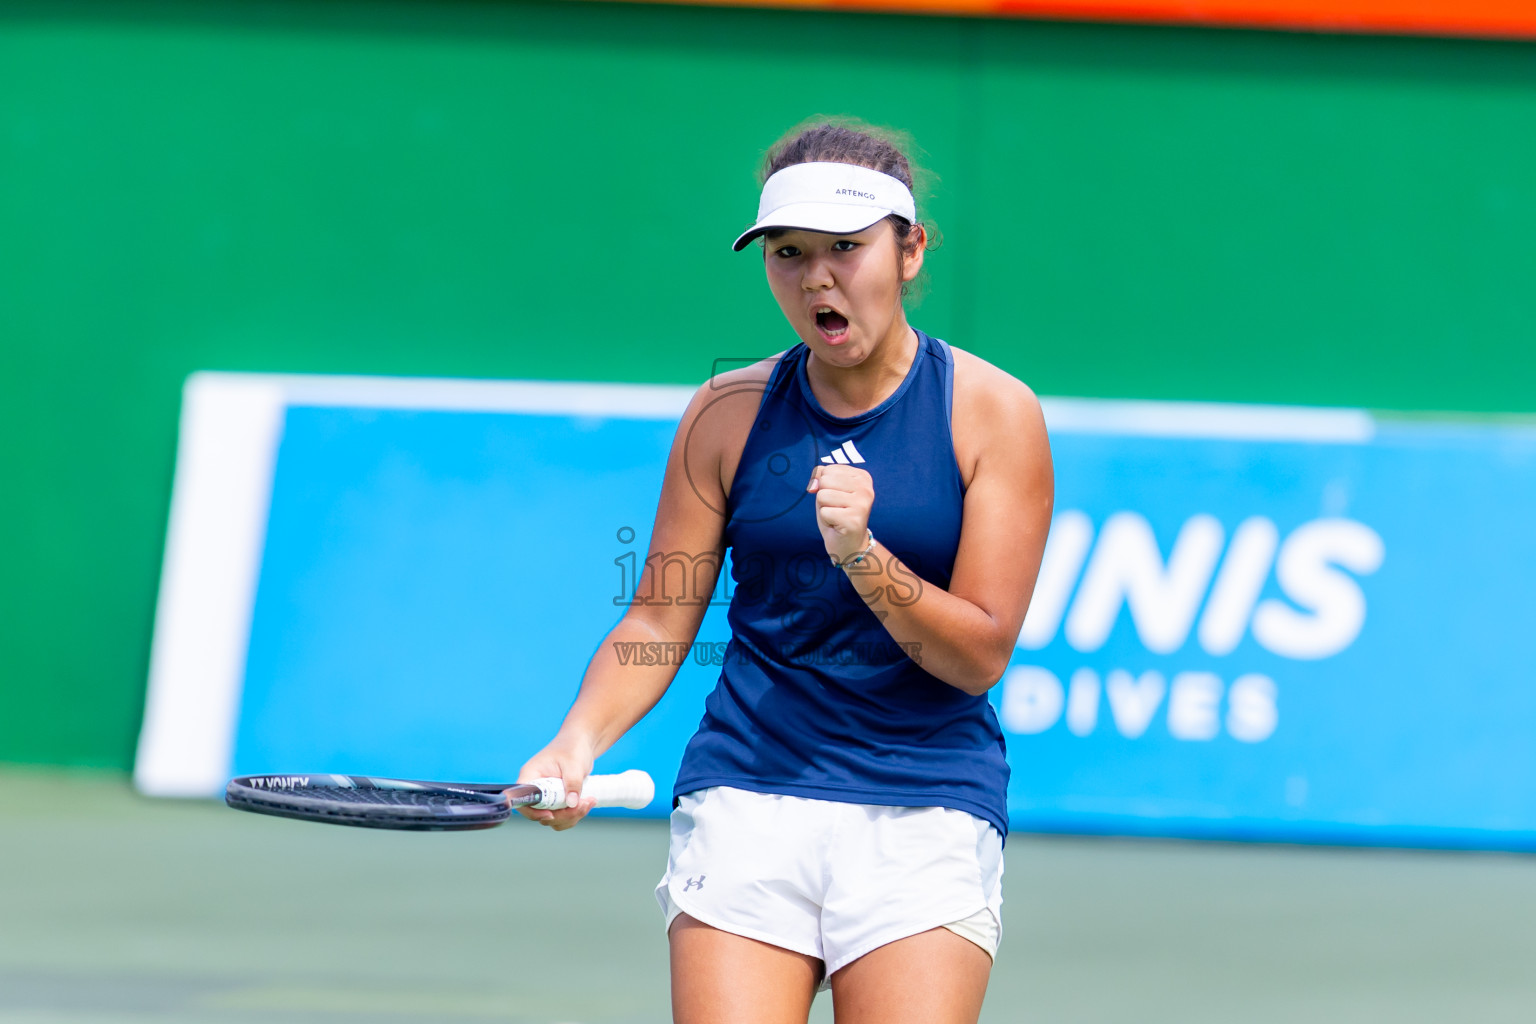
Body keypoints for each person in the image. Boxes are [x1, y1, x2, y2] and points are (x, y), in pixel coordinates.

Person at [517, 119, 1053, 1024]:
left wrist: (863, 556)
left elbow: (978, 656)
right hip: (745, 795)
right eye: (789, 253)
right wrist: (577, 740)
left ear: (910, 249)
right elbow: (656, 622)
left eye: (847, 249)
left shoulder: (994, 414)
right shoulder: (725, 413)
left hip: (921, 808)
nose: (816, 279)